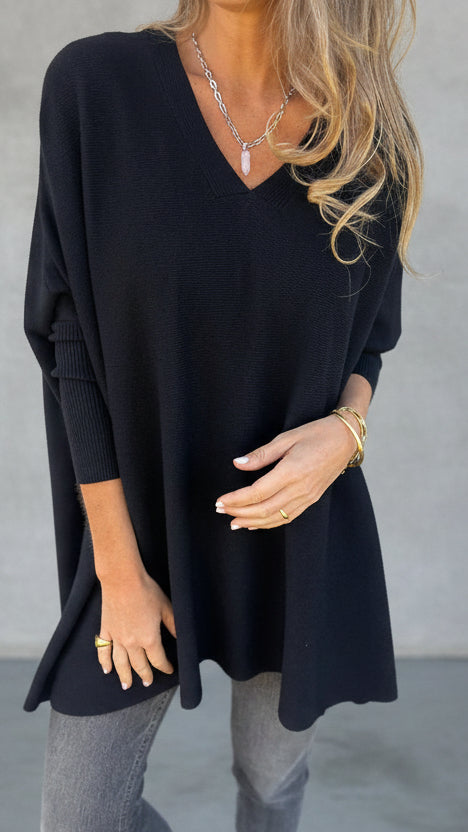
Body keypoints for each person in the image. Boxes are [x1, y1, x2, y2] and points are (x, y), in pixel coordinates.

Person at [23, 1, 423, 830]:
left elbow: (366, 348)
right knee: (80, 815)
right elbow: (70, 340)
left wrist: (344, 435)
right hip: (137, 535)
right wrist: (118, 572)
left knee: (271, 788)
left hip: (294, 531)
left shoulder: (366, 137)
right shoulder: (97, 87)